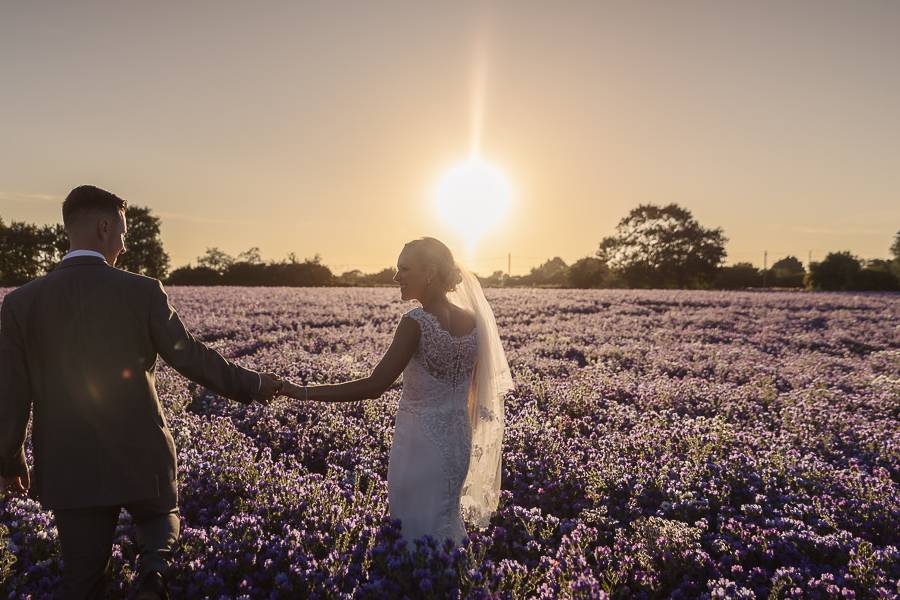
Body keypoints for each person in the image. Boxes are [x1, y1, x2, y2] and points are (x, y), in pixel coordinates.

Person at [0, 185, 282, 600]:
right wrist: (253, 384)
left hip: (67, 461)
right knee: (160, 517)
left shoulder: (21, 303)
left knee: (83, 580)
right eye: (122, 233)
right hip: (141, 453)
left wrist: (9, 457)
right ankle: (153, 573)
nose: (123, 244)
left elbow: (11, 391)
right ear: (102, 228)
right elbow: (190, 357)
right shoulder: (142, 291)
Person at [282, 237, 512, 545]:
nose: (396, 277)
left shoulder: (415, 322)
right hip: (457, 441)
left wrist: (303, 392)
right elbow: (474, 392)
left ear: (429, 272)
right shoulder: (473, 321)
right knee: (443, 518)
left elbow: (375, 385)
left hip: (419, 444)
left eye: (404, 269)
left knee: (413, 526)